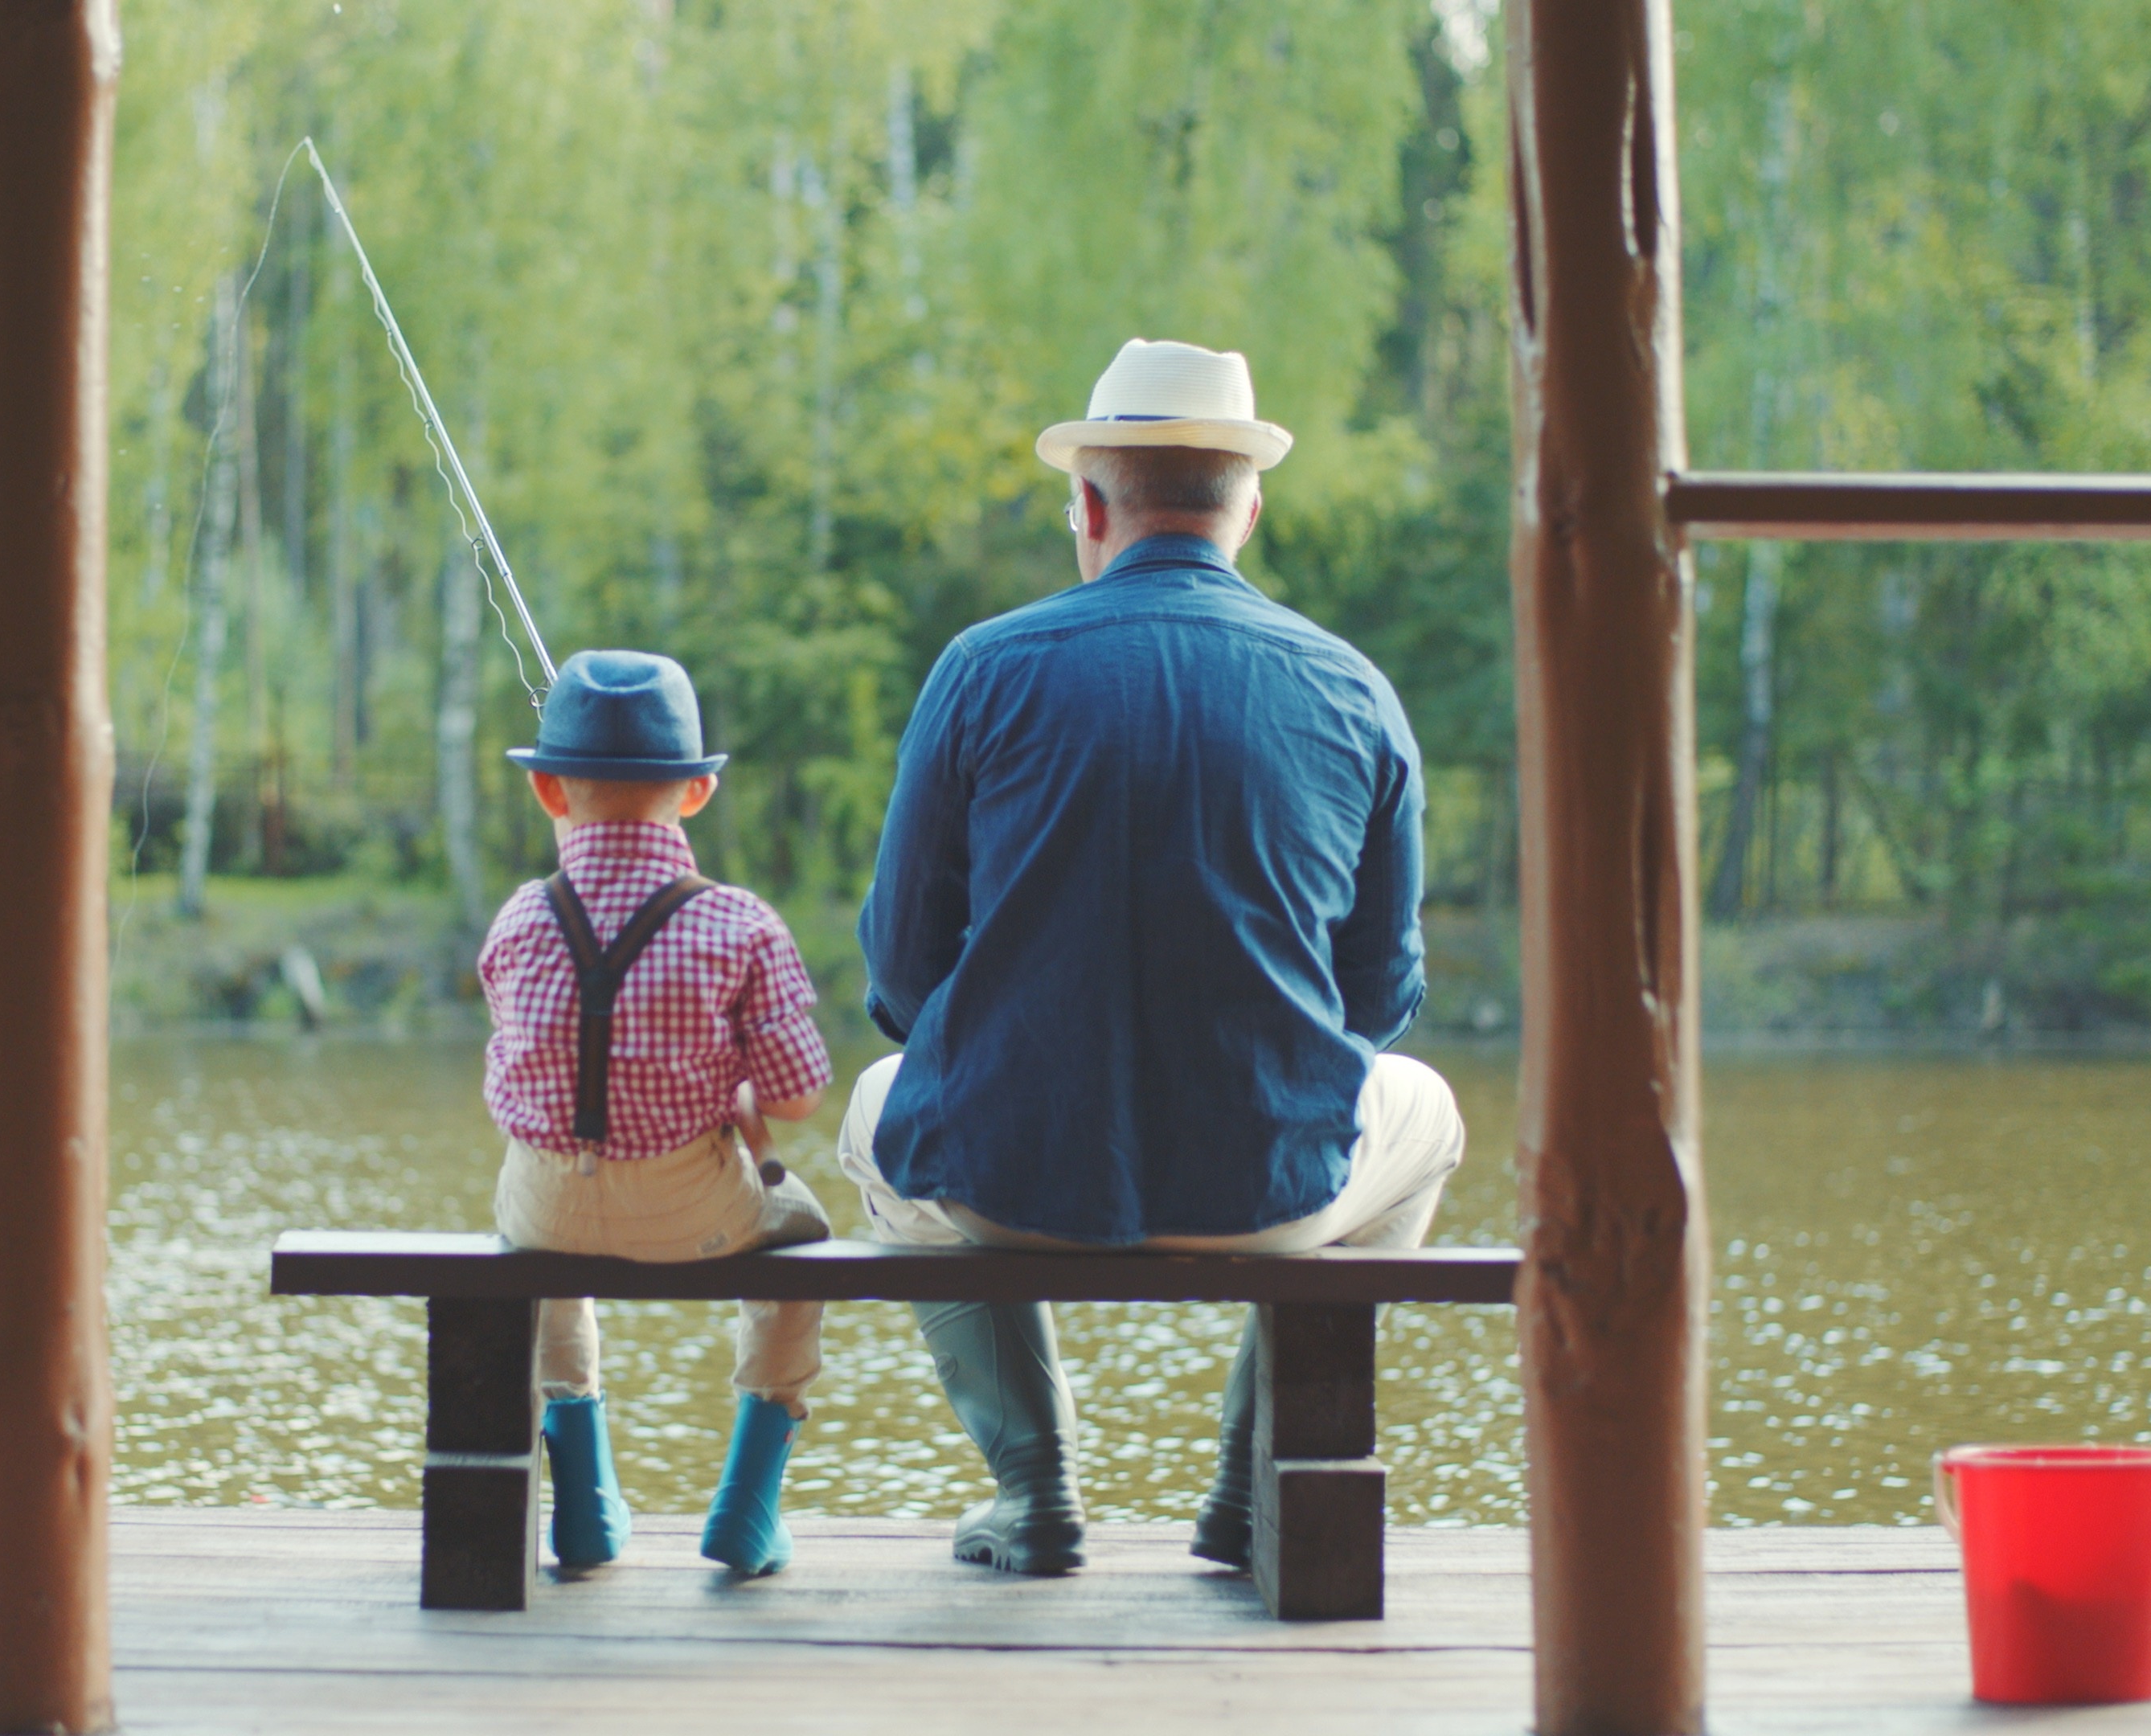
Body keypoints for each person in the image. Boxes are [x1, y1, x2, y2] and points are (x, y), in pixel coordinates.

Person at [838, 338, 1467, 1577]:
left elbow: (903, 987)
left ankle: (1034, 1490)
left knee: (877, 1112)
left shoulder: (980, 671)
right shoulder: (1354, 690)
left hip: (1006, 1190)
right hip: (1274, 1197)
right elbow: (1380, 1003)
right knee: (1428, 1116)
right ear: (1250, 505)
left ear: (1087, 503)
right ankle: (1254, 1489)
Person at [476, 649, 838, 1578]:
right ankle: (750, 1504)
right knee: (804, 1239)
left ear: (549, 793)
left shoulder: (519, 919)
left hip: (545, 1213)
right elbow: (797, 1098)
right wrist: (742, 1097)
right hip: (697, 1218)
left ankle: (587, 1497)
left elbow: (520, 1074)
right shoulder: (739, 923)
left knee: (547, 1247)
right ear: (697, 794)